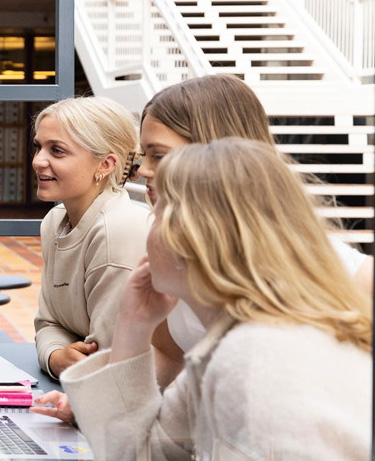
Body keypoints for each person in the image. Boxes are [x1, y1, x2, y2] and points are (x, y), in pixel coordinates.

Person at [33, 75, 375, 420]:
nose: (142, 170)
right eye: (145, 154)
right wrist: (96, 403)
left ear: (216, 152)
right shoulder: (174, 254)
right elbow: (167, 357)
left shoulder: (342, 270)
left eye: (158, 155)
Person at [59, 138, 372, 459]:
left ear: (194, 235)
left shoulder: (256, 359)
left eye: (160, 211)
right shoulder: (236, 343)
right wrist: (133, 325)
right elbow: (140, 452)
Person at [31, 96, 149, 378]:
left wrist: (63, 357)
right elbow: (48, 323)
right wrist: (56, 356)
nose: (38, 161)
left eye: (57, 151)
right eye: (38, 147)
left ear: (106, 164)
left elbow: (109, 362)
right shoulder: (54, 222)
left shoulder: (117, 230)